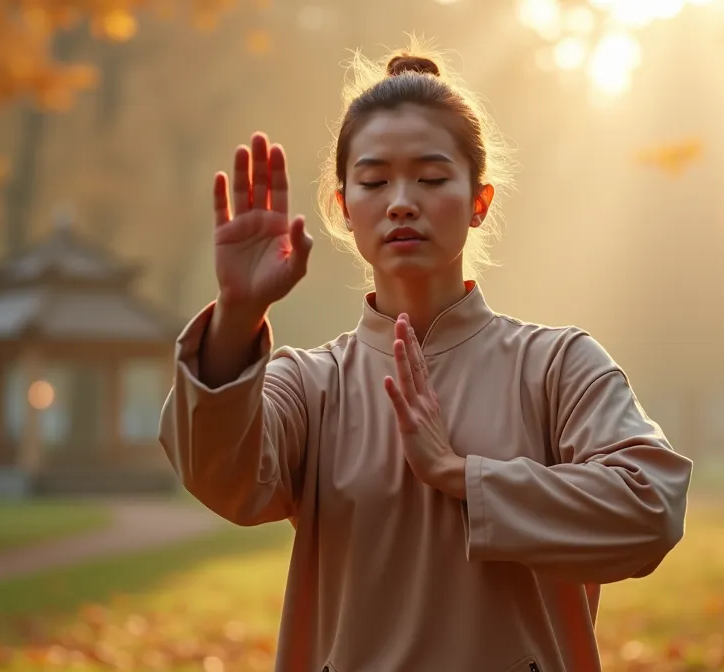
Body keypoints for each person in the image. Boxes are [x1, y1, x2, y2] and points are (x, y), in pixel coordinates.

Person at [159, 46, 693, 672]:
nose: (401, 202)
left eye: (432, 179)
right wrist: (238, 315)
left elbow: (650, 511)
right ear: (343, 208)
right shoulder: (310, 385)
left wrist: (462, 476)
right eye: (374, 181)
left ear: (479, 201)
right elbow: (222, 478)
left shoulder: (556, 366)